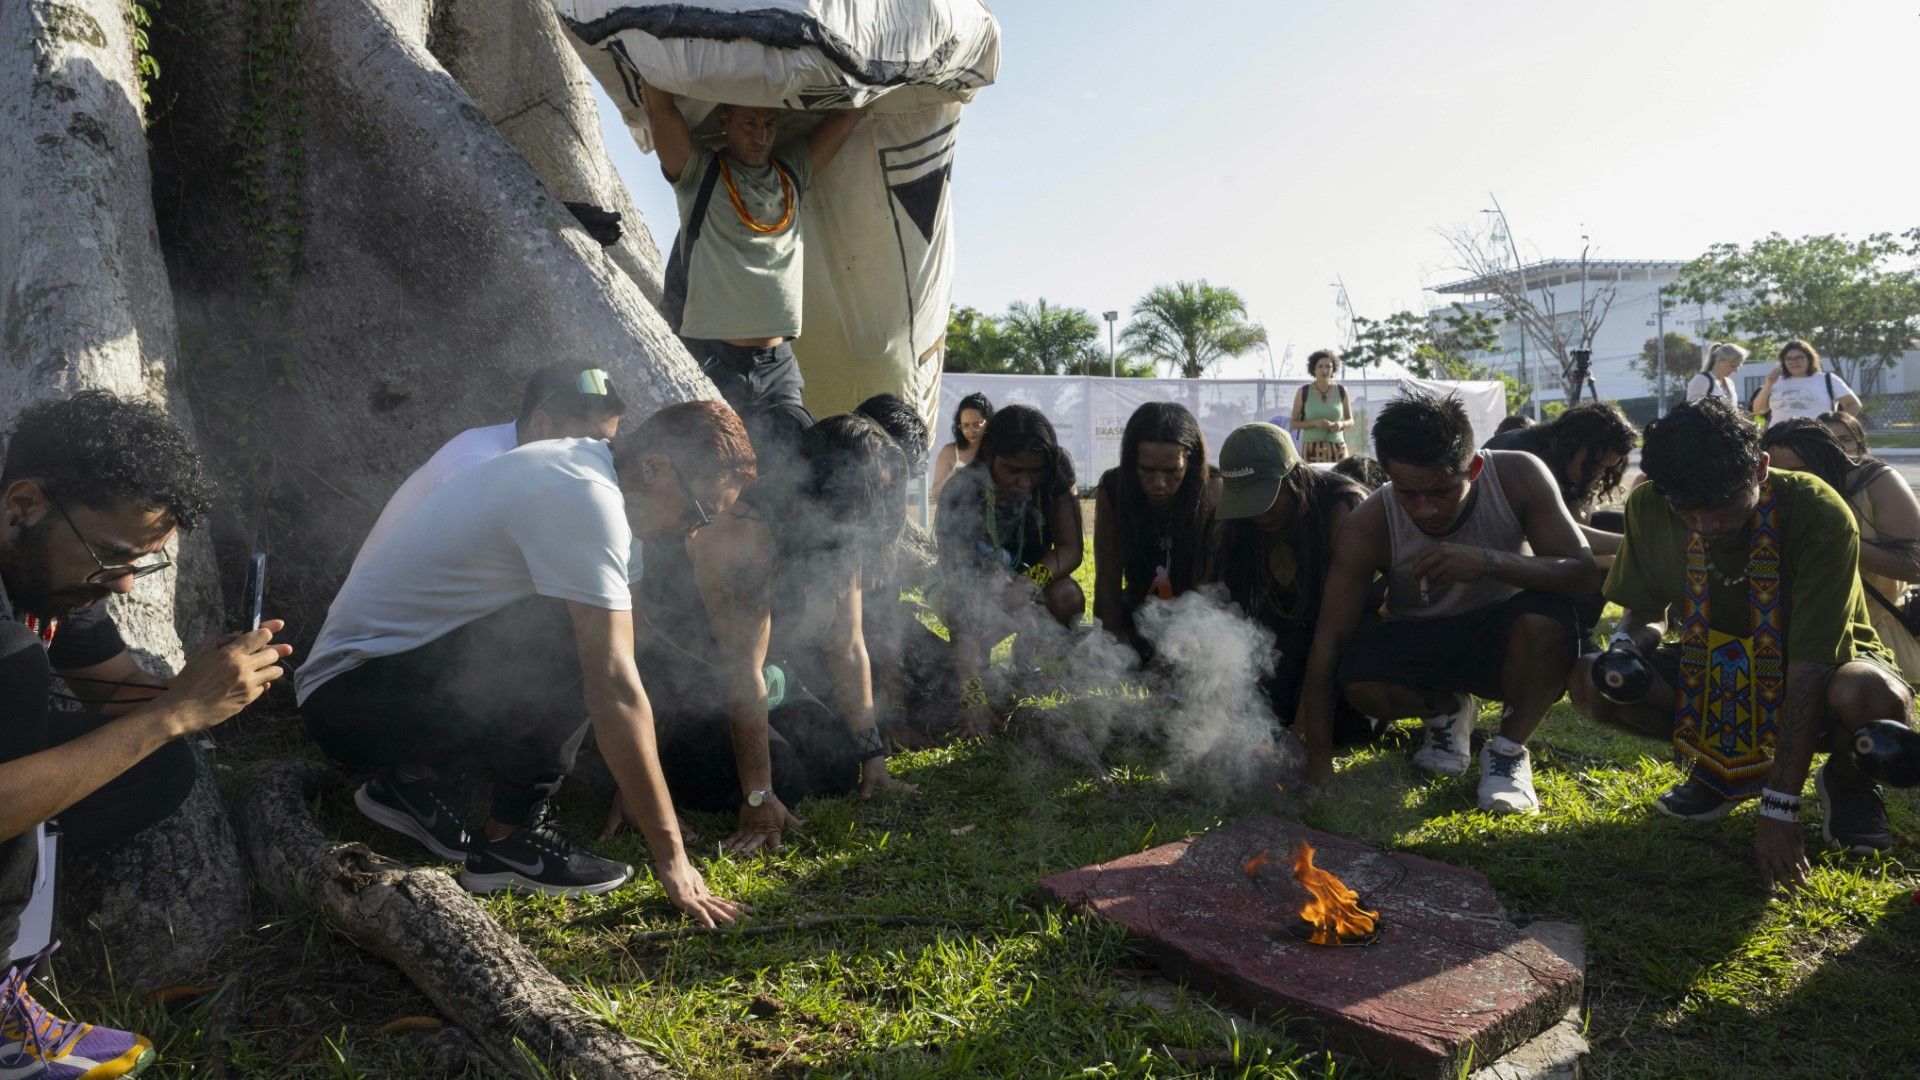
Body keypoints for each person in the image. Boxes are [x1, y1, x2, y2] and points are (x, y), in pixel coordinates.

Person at [297, 401, 748, 920]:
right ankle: (511, 841)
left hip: (379, 686)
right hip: (351, 699)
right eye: (698, 511)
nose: (694, 532)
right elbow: (613, 682)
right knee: (571, 629)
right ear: (658, 467)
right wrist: (671, 857)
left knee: (600, 628)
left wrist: (636, 781)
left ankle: (409, 783)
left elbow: (635, 639)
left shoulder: (607, 483)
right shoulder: (584, 495)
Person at [0, 392, 290, 1078]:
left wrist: (207, 689)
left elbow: (116, 690)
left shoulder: (46, 562)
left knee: (154, 766)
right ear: (24, 505)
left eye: (142, 563)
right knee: (17, 669)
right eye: (112, 556)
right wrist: (174, 713)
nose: (124, 584)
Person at [1566, 397, 1912, 880]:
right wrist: (1627, 647)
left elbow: (1811, 667)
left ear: (1761, 467)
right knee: (1590, 679)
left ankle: (1848, 781)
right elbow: (1644, 612)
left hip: (1819, 669)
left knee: (1871, 697)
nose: (1706, 526)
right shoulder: (1649, 505)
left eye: (1723, 506)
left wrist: (1780, 806)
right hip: (1713, 667)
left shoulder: (1816, 509)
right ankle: (1717, 773)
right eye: (1687, 510)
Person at [1295, 393, 1599, 812]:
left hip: (1505, 637)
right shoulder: (1369, 523)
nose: (1426, 509)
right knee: (1358, 675)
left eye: (1441, 490)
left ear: (1473, 468)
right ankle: (1447, 710)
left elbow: (1581, 572)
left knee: (1550, 618)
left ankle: (1508, 752)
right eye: (1408, 493)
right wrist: (1318, 760)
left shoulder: (1518, 475)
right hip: (1423, 640)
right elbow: (1329, 639)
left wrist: (1488, 562)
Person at [632, 414, 917, 855]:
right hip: (685, 693)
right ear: (821, 487)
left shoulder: (840, 539)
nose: (865, 518)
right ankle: (641, 773)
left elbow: (848, 646)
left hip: (764, 682)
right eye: (860, 501)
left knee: (839, 763)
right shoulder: (742, 532)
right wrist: (759, 796)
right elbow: (741, 675)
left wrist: (873, 758)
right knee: (784, 778)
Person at [640, 74, 867, 457]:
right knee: (714, 469)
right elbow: (660, 109)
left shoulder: (791, 173)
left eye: (769, 124)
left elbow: (847, 118)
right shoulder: (701, 173)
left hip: (778, 366)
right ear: (724, 119)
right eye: (749, 123)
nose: (761, 136)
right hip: (716, 361)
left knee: (803, 469)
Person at [353, 364, 627, 568]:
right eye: (589, 441)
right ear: (541, 424)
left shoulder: (529, 469)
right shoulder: (478, 466)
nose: (601, 458)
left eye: (607, 445)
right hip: (371, 634)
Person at [1207, 424, 1374, 744]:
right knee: (1263, 710)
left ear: (1293, 477)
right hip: (1294, 634)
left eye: (1266, 498)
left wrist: (1303, 732)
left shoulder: (1341, 507)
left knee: (1339, 722)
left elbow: (1338, 627)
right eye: (1247, 500)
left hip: (1349, 633)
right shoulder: (1239, 528)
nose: (1257, 513)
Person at [936, 405, 1084, 737]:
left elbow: (1071, 548)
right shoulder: (960, 491)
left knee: (1067, 595)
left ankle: (1027, 665)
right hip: (973, 589)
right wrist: (973, 698)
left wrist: (1031, 580)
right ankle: (978, 672)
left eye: (1035, 472)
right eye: (1014, 470)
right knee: (979, 596)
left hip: (1028, 578)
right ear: (989, 454)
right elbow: (961, 596)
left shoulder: (1056, 468)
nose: (1025, 482)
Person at [1759, 419, 1920, 682]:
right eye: (1778, 475)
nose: (1790, 484)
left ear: (1830, 464)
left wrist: (1835, 536)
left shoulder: (1876, 482)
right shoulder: (1764, 496)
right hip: (1792, 640)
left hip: (1876, 640)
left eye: (1801, 474)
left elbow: (1914, 566)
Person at [1092, 403, 1216, 660]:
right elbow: (1108, 573)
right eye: (1146, 470)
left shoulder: (1213, 488)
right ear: (1131, 463)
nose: (1159, 484)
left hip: (1195, 618)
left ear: (1190, 463)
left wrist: (1188, 640)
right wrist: (1109, 641)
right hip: (1138, 613)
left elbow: (1209, 581)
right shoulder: (1114, 488)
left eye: (1172, 472)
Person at [1482, 401, 1638, 585]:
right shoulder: (1522, 459)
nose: (1599, 476)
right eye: (1594, 466)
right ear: (1571, 444)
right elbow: (1561, 538)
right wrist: (1634, 545)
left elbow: (1576, 523)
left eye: (1607, 469)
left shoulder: (1564, 460)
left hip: (1531, 549)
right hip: (1495, 560)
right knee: (1594, 571)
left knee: (1624, 526)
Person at [1751, 339, 1862, 423]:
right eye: (1788, 359)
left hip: (1818, 440)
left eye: (1799, 357)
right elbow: (1758, 411)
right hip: (1779, 442)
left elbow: (1853, 404)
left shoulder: (1828, 379)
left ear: (1809, 359)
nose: (1794, 362)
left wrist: (1836, 426)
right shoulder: (1775, 381)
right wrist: (1768, 384)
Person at [1290, 350, 1353, 464]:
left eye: (1328, 366)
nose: (1324, 370)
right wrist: (1314, 423)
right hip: (1311, 450)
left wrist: (1341, 424)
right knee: (1313, 482)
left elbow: (1350, 420)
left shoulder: (1342, 390)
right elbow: (1293, 424)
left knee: (1344, 480)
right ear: (1313, 369)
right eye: (1320, 366)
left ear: (1333, 369)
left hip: (1338, 448)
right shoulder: (1303, 392)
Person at [930, 392, 993, 502]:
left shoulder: (996, 451)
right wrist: (952, 476)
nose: (970, 431)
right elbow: (936, 496)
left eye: (976, 425)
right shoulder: (949, 452)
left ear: (987, 422)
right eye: (965, 425)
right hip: (956, 516)